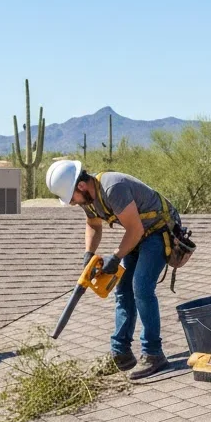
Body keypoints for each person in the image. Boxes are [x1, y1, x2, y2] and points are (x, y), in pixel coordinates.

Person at [46, 160, 188, 380]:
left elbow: (135, 228)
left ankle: (154, 354)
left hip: (158, 231)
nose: (73, 203)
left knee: (141, 287)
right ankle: (121, 353)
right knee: (122, 289)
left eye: (72, 198)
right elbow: (93, 224)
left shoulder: (113, 188)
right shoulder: (88, 198)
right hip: (138, 233)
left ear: (81, 186)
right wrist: (88, 255)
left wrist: (116, 257)